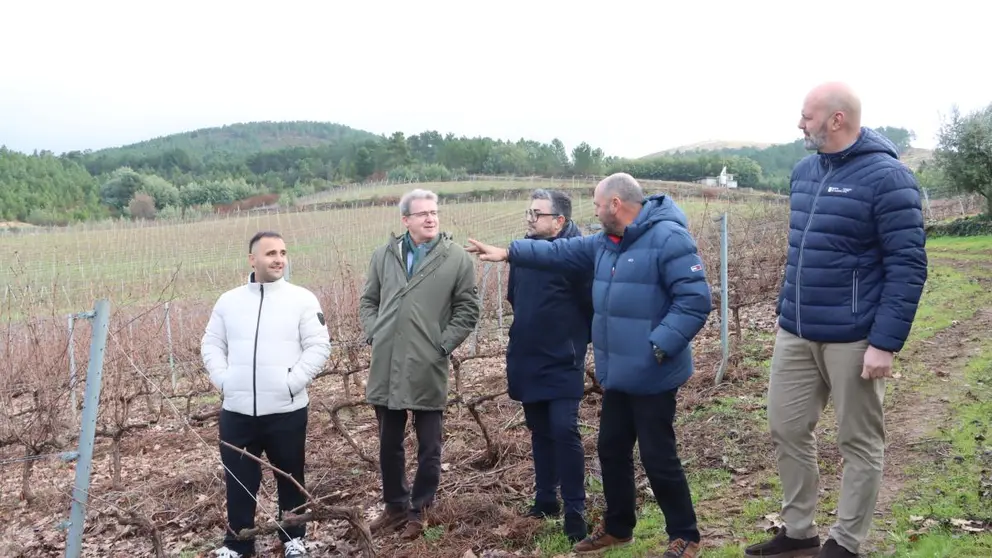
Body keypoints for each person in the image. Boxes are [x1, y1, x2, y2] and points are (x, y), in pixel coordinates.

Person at [466, 173, 712, 558]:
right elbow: (558, 253)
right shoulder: (605, 243)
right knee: (611, 449)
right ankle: (618, 528)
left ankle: (685, 534)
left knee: (657, 455)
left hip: (653, 371)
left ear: (616, 203)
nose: (594, 213)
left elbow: (694, 301)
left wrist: (658, 347)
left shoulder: (669, 238)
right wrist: (509, 252)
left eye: (597, 205)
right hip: (618, 373)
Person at [744, 82, 928, 558]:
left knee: (858, 439)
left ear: (836, 120)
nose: (799, 123)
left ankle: (846, 543)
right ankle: (799, 531)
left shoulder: (889, 178)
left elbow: (907, 266)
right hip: (796, 330)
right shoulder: (805, 171)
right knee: (786, 427)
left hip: (854, 335)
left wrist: (884, 342)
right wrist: (786, 314)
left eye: (806, 115)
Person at [359, 188, 481, 540]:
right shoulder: (384, 255)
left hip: (428, 363)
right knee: (388, 442)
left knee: (429, 445)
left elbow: (468, 309)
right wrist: (375, 334)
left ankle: (421, 509)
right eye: (422, 213)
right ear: (405, 220)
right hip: (387, 363)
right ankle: (395, 507)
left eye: (434, 212)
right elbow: (368, 301)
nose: (430, 218)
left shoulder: (456, 258)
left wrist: (441, 345)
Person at [201, 231, 332, 558]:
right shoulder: (229, 301)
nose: (279, 259)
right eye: (271, 253)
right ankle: (238, 543)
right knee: (239, 481)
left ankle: (293, 538)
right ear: (252, 259)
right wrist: (224, 380)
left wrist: (292, 382)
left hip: (286, 410)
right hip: (237, 411)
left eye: (283, 253)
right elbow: (211, 343)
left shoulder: (302, 298)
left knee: (290, 476)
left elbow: (319, 346)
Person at [505, 189, 594, 543]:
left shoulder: (578, 255)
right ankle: (545, 499)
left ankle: (575, 509)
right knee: (539, 428)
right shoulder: (525, 253)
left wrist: (571, 338)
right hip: (528, 354)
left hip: (563, 357)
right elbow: (515, 297)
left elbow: (591, 304)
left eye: (537, 213)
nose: (530, 218)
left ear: (559, 221)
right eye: (529, 211)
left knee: (564, 429)